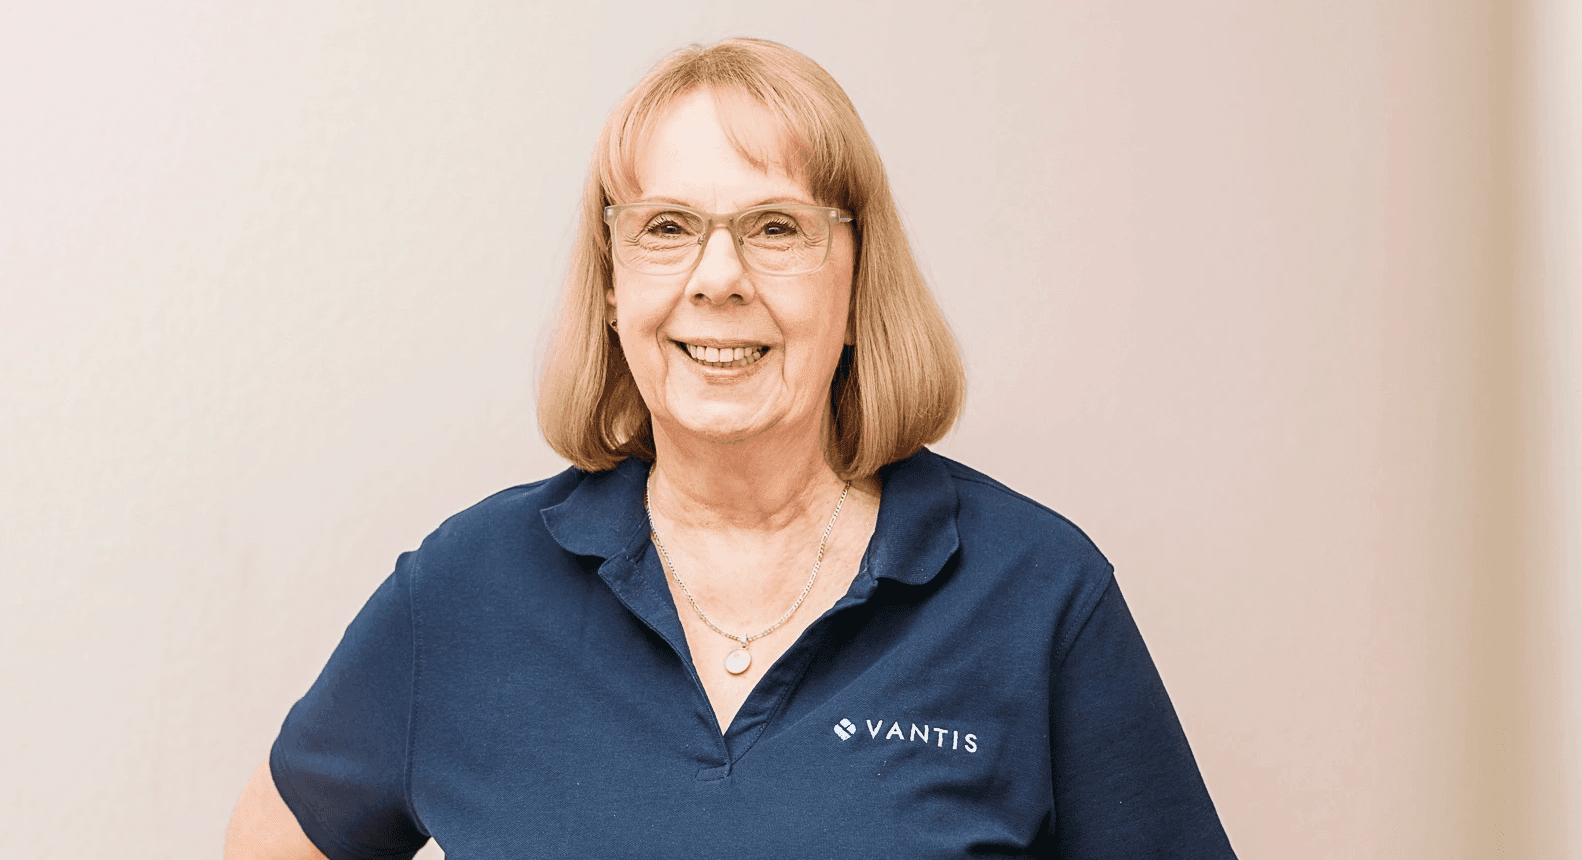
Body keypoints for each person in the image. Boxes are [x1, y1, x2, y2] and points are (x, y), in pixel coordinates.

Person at [225, 37, 1237, 859]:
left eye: (776, 228)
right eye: (667, 227)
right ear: (613, 282)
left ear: (857, 281)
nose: (718, 277)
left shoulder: (1036, 594)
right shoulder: (465, 591)